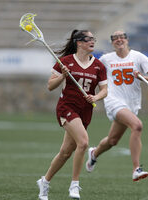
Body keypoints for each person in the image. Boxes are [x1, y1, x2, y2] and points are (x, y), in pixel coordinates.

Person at [36, 30, 107, 200]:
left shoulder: (98, 66)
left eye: (93, 39)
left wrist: (95, 97)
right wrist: (63, 77)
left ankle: (44, 181)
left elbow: (105, 90)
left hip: (85, 111)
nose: (92, 42)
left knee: (66, 152)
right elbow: (50, 86)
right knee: (83, 142)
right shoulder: (65, 62)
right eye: (88, 39)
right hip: (67, 107)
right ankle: (74, 185)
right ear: (79, 43)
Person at [85, 30, 148, 181]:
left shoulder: (138, 57)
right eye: (115, 38)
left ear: (127, 40)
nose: (119, 40)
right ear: (112, 42)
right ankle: (136, 169)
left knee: (113, 141)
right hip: (113, 101)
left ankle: (94, 153)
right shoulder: (106, 59)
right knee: (137, 126)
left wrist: (142, 77)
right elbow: (90, 70)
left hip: (131, 104)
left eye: (122, 37)